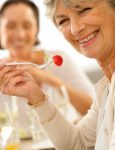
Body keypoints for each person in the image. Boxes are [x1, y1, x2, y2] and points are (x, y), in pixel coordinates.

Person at [1, 0, 115, 150]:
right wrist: (35, 95)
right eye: (64, 20)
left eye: (84, 10)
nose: (75, 29)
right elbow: (78, 142)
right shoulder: (109, 82)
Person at [0, 0, 95, 130]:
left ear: (36, 29)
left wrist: (46, 78)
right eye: (10, 26)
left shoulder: (58, 60)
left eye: (27, 25)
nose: (20, 35)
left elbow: (94, 109)